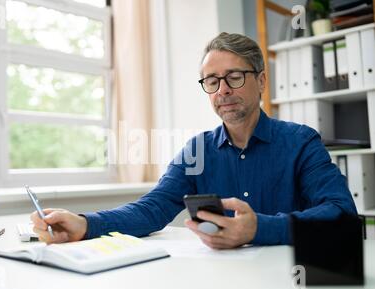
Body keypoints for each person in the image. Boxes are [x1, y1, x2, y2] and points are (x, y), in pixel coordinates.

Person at [31, 32, 356, 249]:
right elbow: (153, 208)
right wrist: (85, 224)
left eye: (234, 77)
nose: (222, 90)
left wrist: (260, 228)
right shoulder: (197, 150)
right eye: (212, 81)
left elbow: (343, 216)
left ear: (261, 81)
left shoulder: (300, 142)